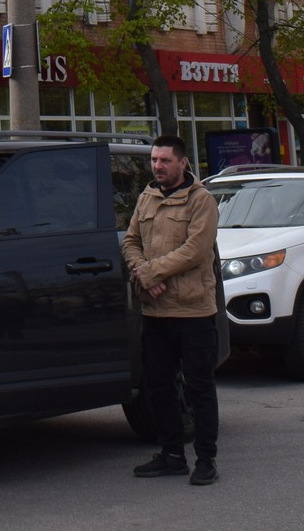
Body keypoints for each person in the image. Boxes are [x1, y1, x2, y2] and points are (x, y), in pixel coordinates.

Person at [121, 133, 221, 487]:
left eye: (165, 160)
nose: (158, 166)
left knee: (199, 387)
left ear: (183, 163)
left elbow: (196, 249)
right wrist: (142, 273)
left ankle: (206, 459)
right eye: (154, 160)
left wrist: (153, 273)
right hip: (155, 311)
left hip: (193, 312)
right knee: (159, 387)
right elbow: (131, 242)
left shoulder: (201, 200)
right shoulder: (146, 197)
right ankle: (172, 455)